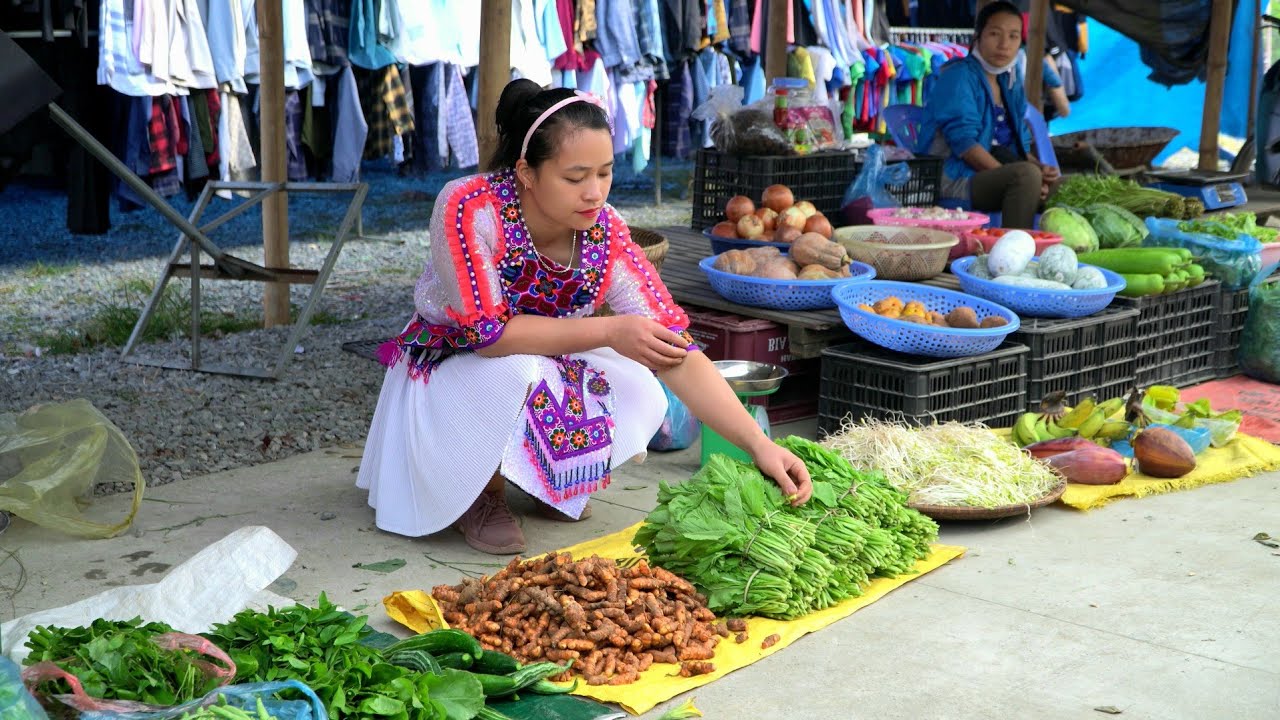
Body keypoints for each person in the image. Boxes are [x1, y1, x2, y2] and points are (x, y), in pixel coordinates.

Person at [356, 79, 813, 555]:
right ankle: (481, 492)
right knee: (516, 370)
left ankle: (548, 479)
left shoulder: (604, 231)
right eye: (575, 178)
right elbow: (489, 336)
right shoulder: (470, 207)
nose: (594, 193)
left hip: (546, 356)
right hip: (454, 362)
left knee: (642, 386)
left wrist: (760, 446)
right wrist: (610, 330)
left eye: (605, 173)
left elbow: (675, 346)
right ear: (527, 173)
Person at [916, 0, 1060, 229]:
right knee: (1025, 178)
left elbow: (1014, 145)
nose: (1004, 44)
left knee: (1063, 186)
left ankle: (1055, 248)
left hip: (993, 172)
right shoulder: (959, 76)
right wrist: (1024, 176)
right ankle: (1015, 249)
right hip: (953, 178)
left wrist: (1041, 170)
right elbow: (966, 147)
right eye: (995, 34)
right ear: (978, 36)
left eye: (1013, 36)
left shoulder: (1009, 81)